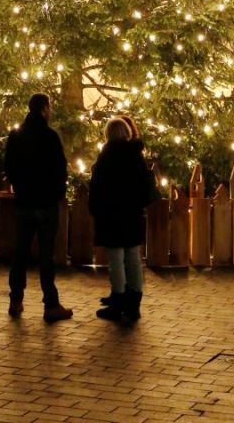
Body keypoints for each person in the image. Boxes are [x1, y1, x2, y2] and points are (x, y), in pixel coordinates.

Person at [3, 93, 73, 322]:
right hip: (46, 203)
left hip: (24, 201)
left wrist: (19, 186)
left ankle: (16, 300)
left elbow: (9, 166)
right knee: (46, 256)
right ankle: (50, 304)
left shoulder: (17, 136)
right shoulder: (50, 136)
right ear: (44, 109)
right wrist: (57, 194)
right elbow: (60, 169)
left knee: (20, 252)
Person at [89, 117, 154, 323]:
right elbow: (144, 185)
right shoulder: (136, 156)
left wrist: (96, 209)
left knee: (116, 258)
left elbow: (97, 187)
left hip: (111, 214)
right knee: (133, 256)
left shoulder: (106, 157)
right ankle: (134, 299)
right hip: (132, 213)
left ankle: (118, 299)